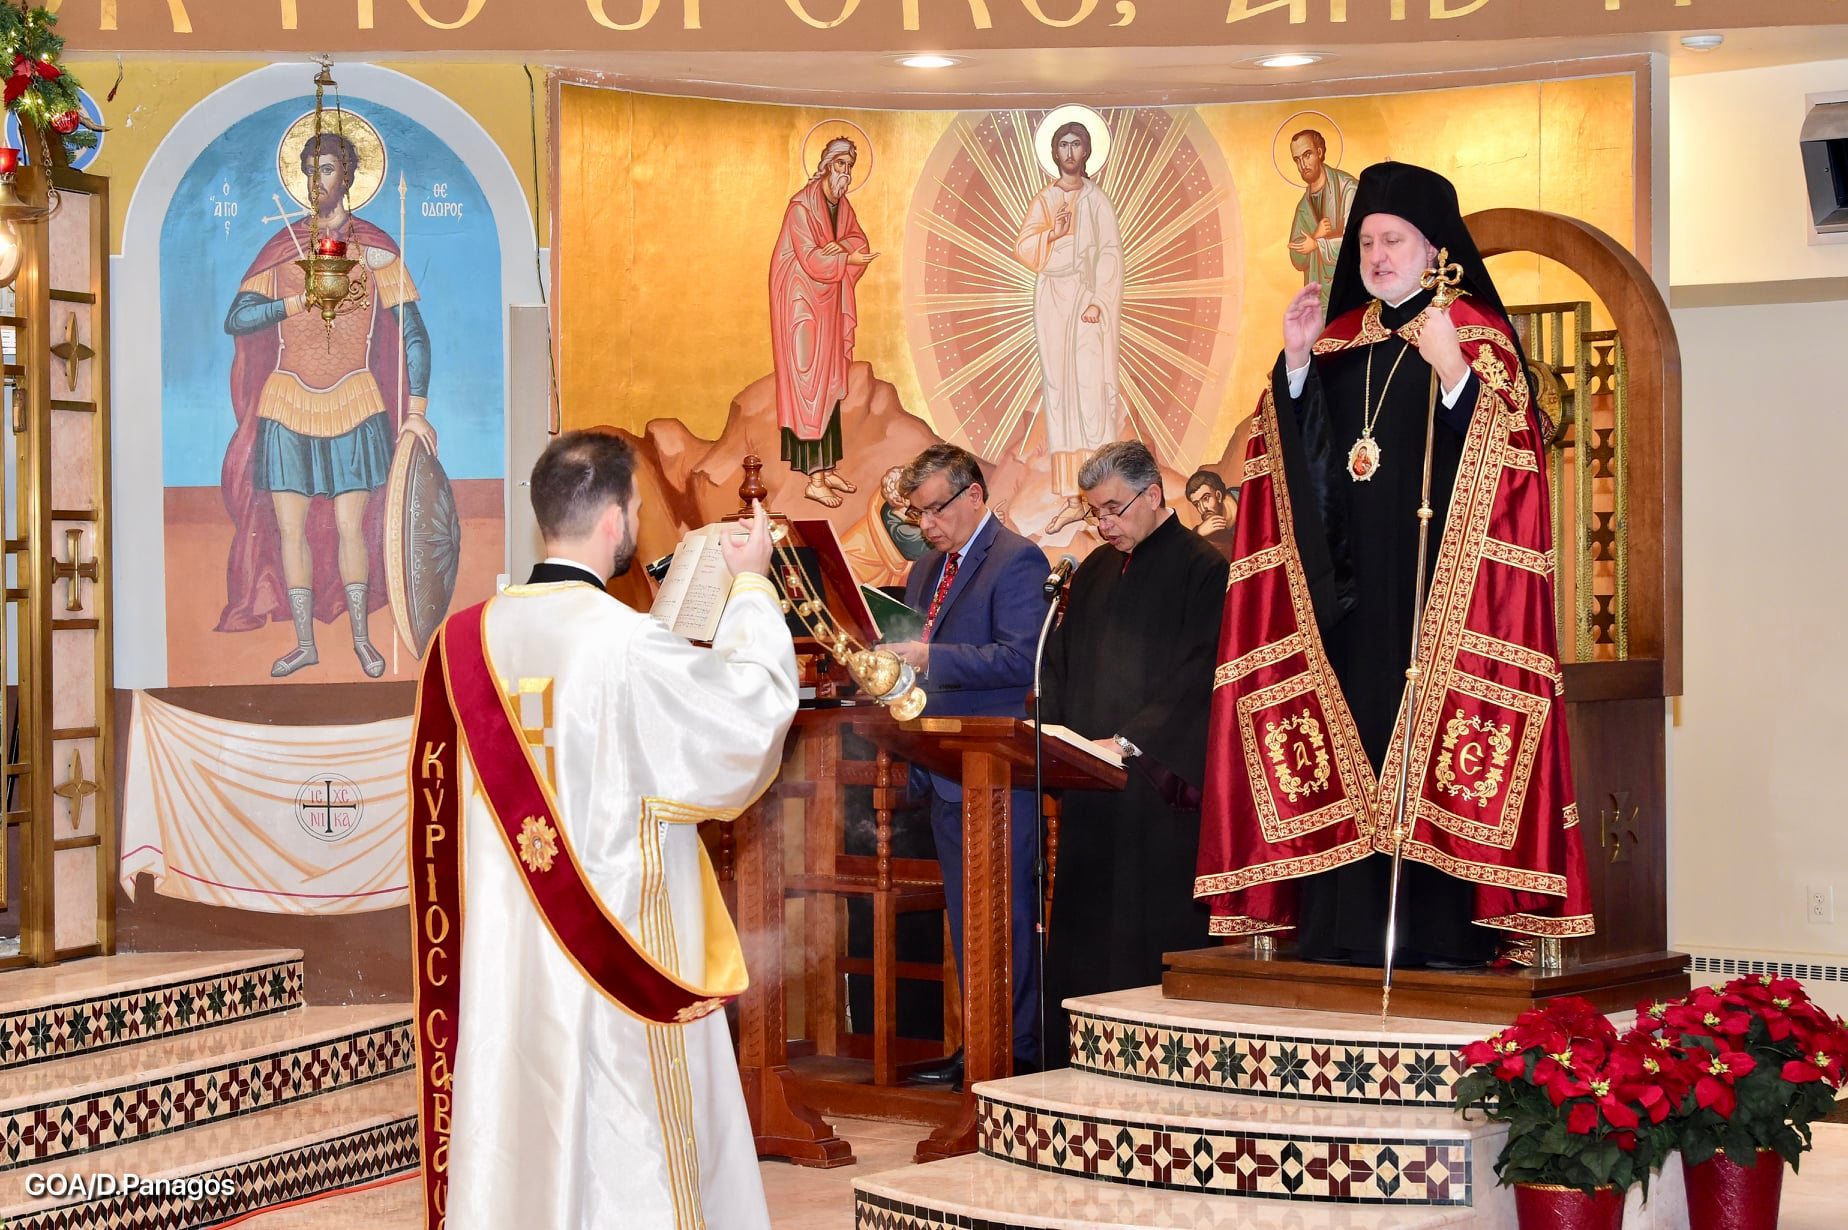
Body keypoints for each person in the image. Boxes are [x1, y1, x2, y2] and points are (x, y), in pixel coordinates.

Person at [1195, 162, 1592, 968]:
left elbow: (1512, 464)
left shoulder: (1474, 338)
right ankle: (1340, 931)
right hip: (1345, 600)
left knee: (1430, 747)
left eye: (1394, 241)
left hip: (1441, 599)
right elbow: (1293, 468)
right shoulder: (1337, 344)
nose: (1377, 256)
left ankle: (1443, 935)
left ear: (1434, 250)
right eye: (1368, 242)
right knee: (1349, 740)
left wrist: (1453, 371)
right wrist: (1296, 367)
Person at [411, 430, 797, 1229]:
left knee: (521, 1119)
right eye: (637, 510)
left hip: (508, 955)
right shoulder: (627, 644)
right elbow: (747, 718)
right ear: (616, 519)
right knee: (629, 1131)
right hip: (620, 952)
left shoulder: (459, 646)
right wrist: (752, 589)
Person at [219, 129, 434, 677]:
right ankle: (304, 642)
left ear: (350, 176)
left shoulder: (376, 251)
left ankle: (361, 638)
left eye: (330, 170)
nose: (319, 181)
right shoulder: (283, 250)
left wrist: (416, 412)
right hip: (287, 403)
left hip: (355, 402)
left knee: (350, 527)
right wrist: (294, 302)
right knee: (290, 530)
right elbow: (237, 319)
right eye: (311, 171)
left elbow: (413, 333)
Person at [1039, 441, 1227, 1061]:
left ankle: (1159, 1056)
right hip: (1091, 786)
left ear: (1152, 495)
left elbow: (1201, 673)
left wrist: (1128, 741)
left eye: (1114, 509)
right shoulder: (1094, 570)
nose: (1104, 524)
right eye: (1096, 512)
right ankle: (1076, 1054)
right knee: (1087, 930)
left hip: (1155, 789)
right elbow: (1059, 663)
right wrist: (1059, 737)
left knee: (1146, 930)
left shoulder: (1204, 568)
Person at [885, 444, 1050, 1086]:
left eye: (935, 510)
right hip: (943, 768)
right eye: (917, 513)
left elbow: (1021, 659)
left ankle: (1018, 1051)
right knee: (966, 916)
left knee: (1006, 917)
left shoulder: (1016, 559)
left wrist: (931, 658)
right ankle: (978, 1044)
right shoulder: (926, 569)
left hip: (998, 770)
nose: (925, 525)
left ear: (974, 495)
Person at [1014, 120, 1125, 534]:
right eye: (1063, 144)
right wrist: (1052, 234)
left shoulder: (1098, 201)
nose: (1070, 151)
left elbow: (1110, 254)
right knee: (1059, 393)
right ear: (1055, 153)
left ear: (1087, 151)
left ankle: (1101, 494)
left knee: (1090, 391)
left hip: (1086, 299)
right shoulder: (1044, 200)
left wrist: (1098, 300)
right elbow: (1024, 248)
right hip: (1052, 302)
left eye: (1077, 144)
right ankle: (1072, 499)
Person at [770, 136, 879, 508]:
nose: (845, 172)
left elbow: (856, 240)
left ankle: (827, 468)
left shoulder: (841, 205)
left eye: (849, 167)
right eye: (840, 165)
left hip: (828, 305)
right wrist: (842, 258)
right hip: (800, 306)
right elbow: (810, 257)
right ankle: (813, 479)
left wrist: (843, 250)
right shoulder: (801, 207)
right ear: (826, 165)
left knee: (829, 383)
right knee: (810, 385)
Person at [1286, 128, 1359, 319]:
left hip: (1347, 295)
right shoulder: (1303, 207)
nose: (1302, 164)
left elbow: (1357, 242)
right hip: (1316, 302)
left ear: (1319, 152)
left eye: (1307, 155)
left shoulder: (1348, 189)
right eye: (1297, 159)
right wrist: (1315, 237)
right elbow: (1296, 257)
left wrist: (1318, 244)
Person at [1184, 468, 1239, 559]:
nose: (1202, 509)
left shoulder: (1247, 499)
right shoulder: (1210, 532)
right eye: (1197, 504)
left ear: (1218, 496)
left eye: (1206, 498)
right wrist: (1198, 533)